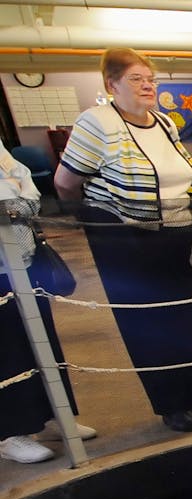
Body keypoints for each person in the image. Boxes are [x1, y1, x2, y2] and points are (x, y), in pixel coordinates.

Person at [54, 47, 192, 434]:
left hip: (172, 233)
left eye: (150, 79)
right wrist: (99, 218)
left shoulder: (162, 122)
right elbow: (65, 183)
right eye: (136, 79)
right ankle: (169, 403)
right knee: (146, 322)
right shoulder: (97, 122)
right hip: (125, 243)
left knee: (180, 315)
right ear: (112, 85)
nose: (147, 86)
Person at [0, 145, 96, 464]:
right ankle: (11, 433)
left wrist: (16, 196)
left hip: (25, 260)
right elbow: (12, 194)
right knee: (8, 350)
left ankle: (54, 416)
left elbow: (28, 190)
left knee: (44, 343)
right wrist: (15, 195)